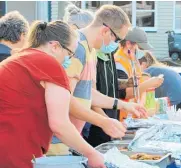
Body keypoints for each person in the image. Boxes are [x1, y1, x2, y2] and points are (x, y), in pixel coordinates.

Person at [0, 20, 106, 168]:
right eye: (70, 53)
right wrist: (91, 154)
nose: (69, 59)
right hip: (16, 153)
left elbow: (68, 102)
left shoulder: (17, 59)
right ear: (55, 46)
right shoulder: (50, 64)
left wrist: (103, 121)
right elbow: (59, 124)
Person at [63, 5, 147, 141]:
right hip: (61, 139)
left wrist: (124, 105)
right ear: (106, 31)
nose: (117, 44)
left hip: (74, 135)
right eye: (118, 39)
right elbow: (65, 100)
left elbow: (88, 92)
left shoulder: (91, 51)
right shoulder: (77, 49)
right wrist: (103, 122)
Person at [114, 27, 164, 120]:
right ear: (129, 44)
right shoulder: (119, 63)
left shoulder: (133, 60)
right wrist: (148, 84)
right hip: (122, 116)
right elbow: (124, 93)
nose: (142, 52)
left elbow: (138, 86)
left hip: (133, 115)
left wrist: (141, 106)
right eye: (140, 47)